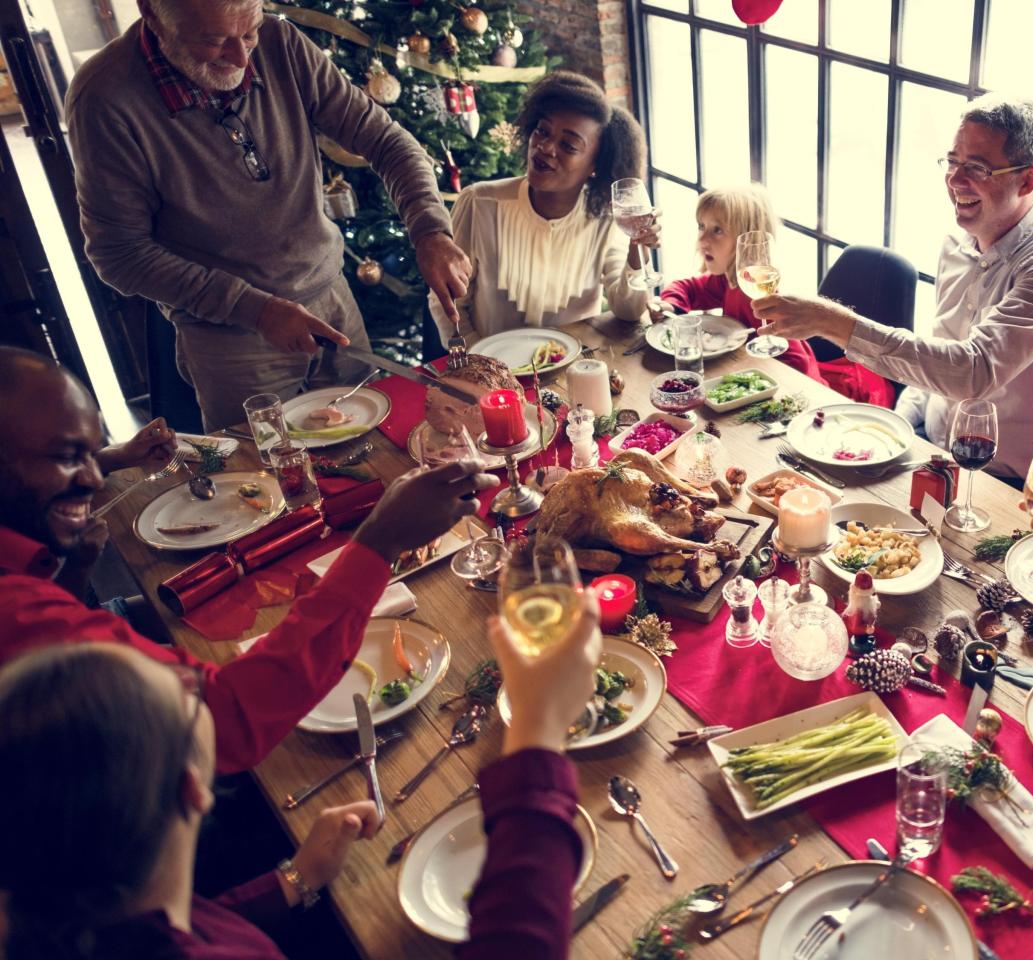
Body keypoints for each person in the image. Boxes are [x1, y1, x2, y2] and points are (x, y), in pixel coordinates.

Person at [0, 605, 600, 959]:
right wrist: (539, 734)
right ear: (192, 787)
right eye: (188, 696)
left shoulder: (69, 919)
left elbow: (180, 931)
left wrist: (292, 881)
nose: (197, 682)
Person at [0, 347, 497, 773]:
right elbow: (226, 722)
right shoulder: (15, 614)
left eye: (94, 454)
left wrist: (78, 567)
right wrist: (377, 543)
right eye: (67, 456)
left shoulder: (31, 584)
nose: (91, 479)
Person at [65, 0, 473, 432]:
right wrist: (255, 309)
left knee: (372, 452)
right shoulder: (104, 98)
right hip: (230, 338)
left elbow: (388, 142)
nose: (243, 59)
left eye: (249, 33)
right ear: (151, 13)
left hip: (332, 298)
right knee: (274, 480)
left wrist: (431, 232)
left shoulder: (281, 42)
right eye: (214, 40)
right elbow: (118, 253)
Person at [752, 93, 1033, 480]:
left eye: (977, 167)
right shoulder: (957, 244)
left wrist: (831, 321)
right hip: (937, 452)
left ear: (1027, 180)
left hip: (1022, 486)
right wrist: (896, 429)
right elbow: (941, 356)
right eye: (953, 162)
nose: (955, 180)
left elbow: (971, 372)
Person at [429, 70, 657, 344]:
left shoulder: (605, 218)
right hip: (493, 374)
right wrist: (480, 362)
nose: (545, 147)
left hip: (575, 372)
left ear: (595, 166)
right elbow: (447, 303)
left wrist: (636, 249)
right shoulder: (480, 204)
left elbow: (629, 311)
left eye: (569, 145)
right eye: (542, 131)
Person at [658, 183, 824, 385]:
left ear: (746, 240)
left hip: (794, 386)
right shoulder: (727, 279)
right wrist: (671, 306)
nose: (702, 240)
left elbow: (798, 363)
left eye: (717, 230)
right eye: (701, 226)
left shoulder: (754, 292)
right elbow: (688, 287)